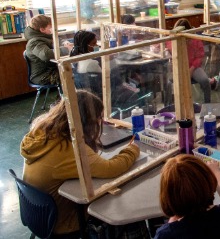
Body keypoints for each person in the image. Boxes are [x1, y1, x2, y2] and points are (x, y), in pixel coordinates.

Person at [20, 90, 140, 236]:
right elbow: (111, 168)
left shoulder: (44, 130)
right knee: (120, 198)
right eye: (98, 119)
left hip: (38, 214)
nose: (101, 123)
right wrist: (133, 149)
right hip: (64, 222)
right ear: (86, 122)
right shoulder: (69, 149)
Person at [154, 155, 220, 239]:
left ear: (167, 198)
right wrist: (217, 173)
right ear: (210, 182)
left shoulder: (165, 235)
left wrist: (172, 222)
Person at [174, 18, 216, 103]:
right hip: (179, 67)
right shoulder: (174, 40)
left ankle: (207, 104)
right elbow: (166, 47)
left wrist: (191, 69)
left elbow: (199, 57)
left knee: (204, 80)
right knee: (173, 83)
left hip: (193, 67)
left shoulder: (195, 40)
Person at [24, 14, 71, 85]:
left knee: (74, 70)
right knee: (74, 74)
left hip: (52, 70)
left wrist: (65, 43)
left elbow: (56, 39)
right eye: (50, 27)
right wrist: (66, 49)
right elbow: (46, 55)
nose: (52, 29)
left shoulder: (44, 35)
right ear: (42, 29)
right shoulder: (34, 42)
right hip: (43, 76)